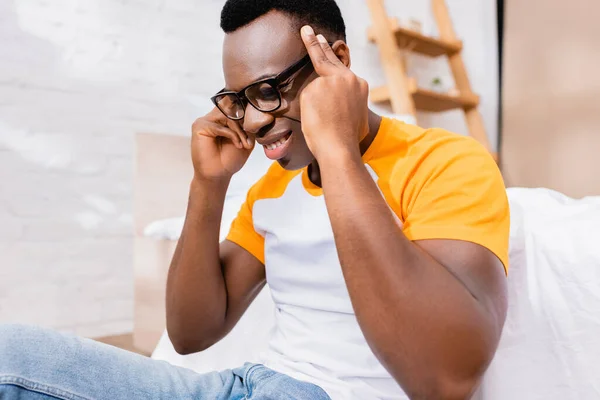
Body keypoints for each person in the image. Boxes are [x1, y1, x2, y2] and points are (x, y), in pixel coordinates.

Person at [0, 0, 510, 399]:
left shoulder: (445, 161)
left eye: (268, 91)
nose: (254, 120)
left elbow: (444, 380)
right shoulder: (274, 186)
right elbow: (191, 333)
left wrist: (337, 151)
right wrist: (209, 185)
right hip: (247, 386)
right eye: (239, 100)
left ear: (336, 62)